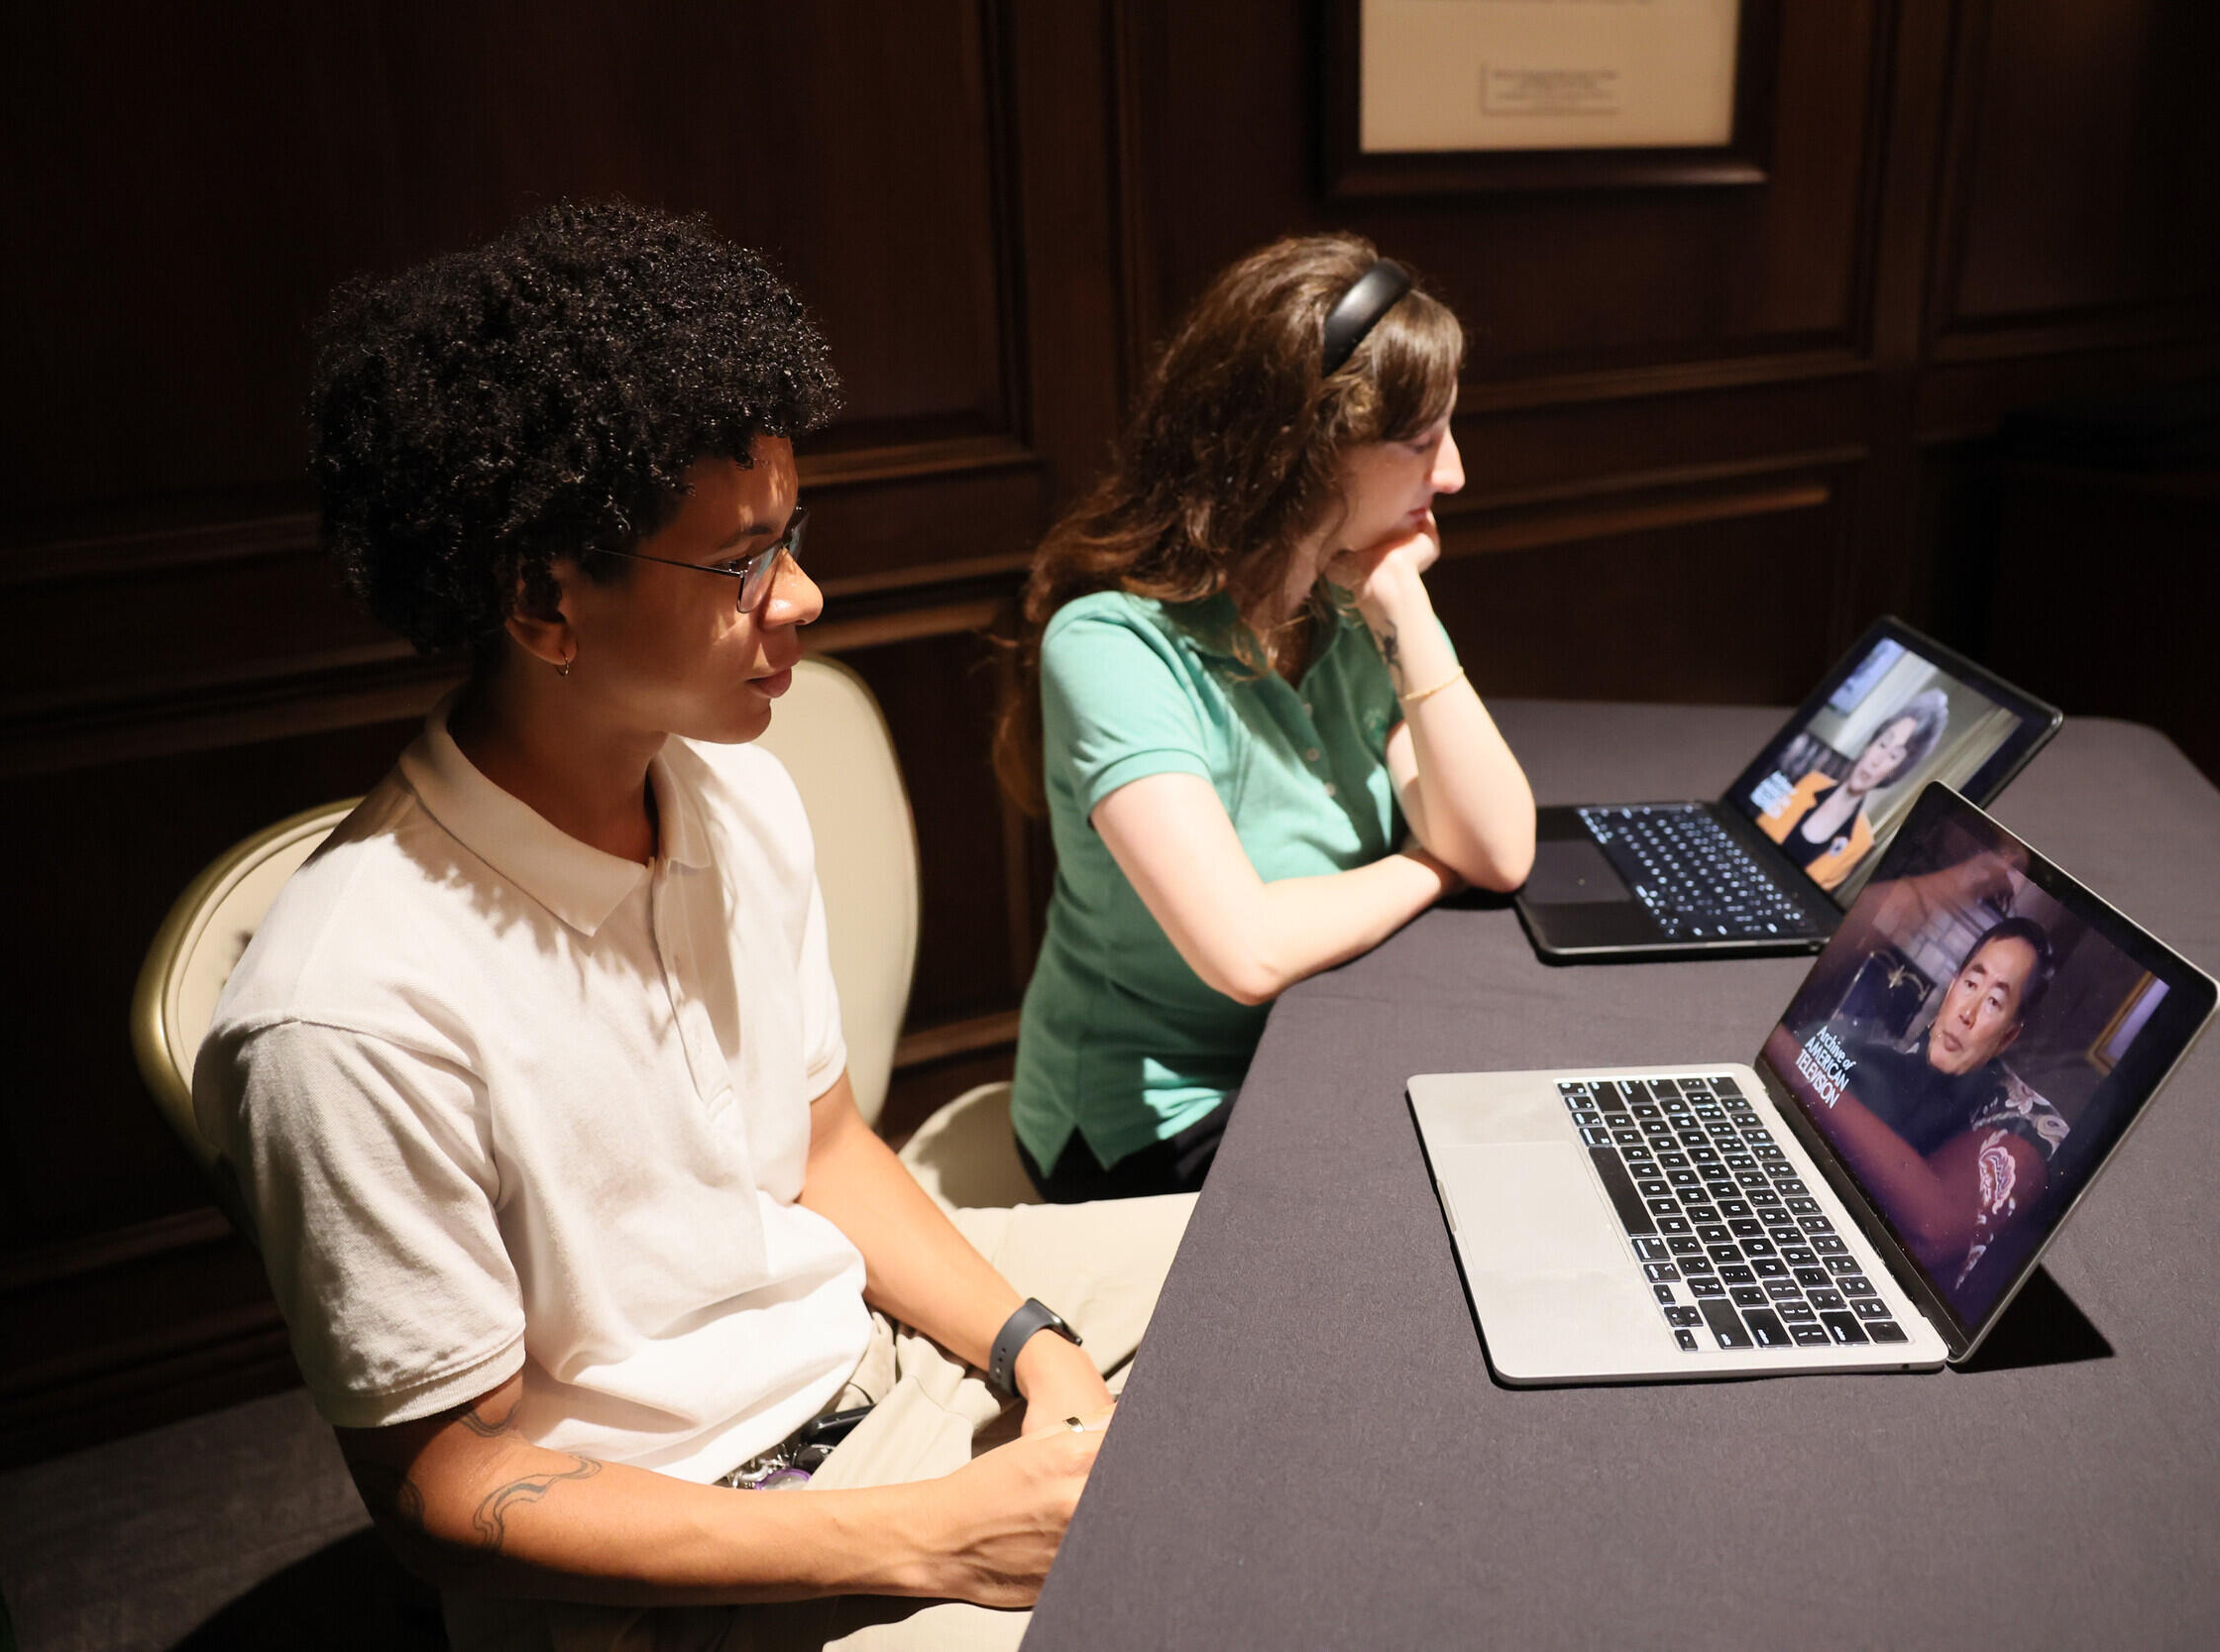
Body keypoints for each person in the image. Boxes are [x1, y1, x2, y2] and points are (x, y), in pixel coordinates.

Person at [194, 200, 1192, 1652]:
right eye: (740, 562)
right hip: (686, 1551)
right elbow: (440, 1483)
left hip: (857, 1361)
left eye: (795, 534)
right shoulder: (345, 1007)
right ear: (546, 598)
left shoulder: (735, 797)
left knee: (1306, 1262)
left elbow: (827, 1146)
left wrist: (1034, 1345)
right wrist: (936, 1532)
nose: (803, 595)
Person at [996, 235, 1536, 1203]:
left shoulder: (1346, 596)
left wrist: (1402, 605)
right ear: (1302, 455)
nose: (1452, 474)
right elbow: (1244, 950)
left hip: (1320, 1042)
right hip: (1155, 1116)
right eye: (1419, 442)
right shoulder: (1112, 644)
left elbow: (1498, 845)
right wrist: (1425, 865)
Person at [1779, 917, 2067, 1292]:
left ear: (2008, 1035)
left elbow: (1933, 1231)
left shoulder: (2022, 1120)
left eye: (1994, 1001)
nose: (1968, 1012)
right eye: (1970, 984)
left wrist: (1792, 1062)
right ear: (1951, 990)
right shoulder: (1866, 1054)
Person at [1754, 688, 1950, 891]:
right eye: (1883, 744)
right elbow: (1753, 834)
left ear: (1895, 772)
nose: (1877, 760)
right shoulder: (1808, 781)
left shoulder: (1861, 842)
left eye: (1893, 757)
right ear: (1870, 744)